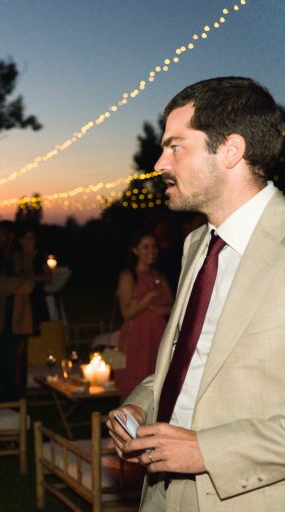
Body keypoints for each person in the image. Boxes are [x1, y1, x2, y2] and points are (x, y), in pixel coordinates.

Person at [107, 77, 285, 511]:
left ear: (230, 151)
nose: (160, 162)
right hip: (162, 491)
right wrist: (140, 407)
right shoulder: (196, 245)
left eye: (175, 146)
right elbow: (187, 364)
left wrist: (209, 451)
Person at [0, 221, 34, 402]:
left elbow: (28, 285)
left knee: (18, 366)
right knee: (2, 364)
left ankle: (18, 403)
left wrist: (1, 281)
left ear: (10, 237)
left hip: (19, 320)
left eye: (1, 235)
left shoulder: (23, 258)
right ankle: (1, 403)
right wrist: (15, 281)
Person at [115, 230, 173, 397]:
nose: (152, 251)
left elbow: (173, 305)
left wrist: (156, 309)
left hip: (158, 333)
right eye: (145, 247)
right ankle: (125, 421)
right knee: (134, 383)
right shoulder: (128, 276)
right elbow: (126, 313)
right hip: (136, 335)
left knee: (158, 381)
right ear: (135, 250)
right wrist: (148, 298)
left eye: (154, 247)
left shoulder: (159, 276)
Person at [17, 226, 51, 336]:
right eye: (26, 238)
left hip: (38, 297)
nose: (29, 241)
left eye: (31, 238)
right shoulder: (17, 256)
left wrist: (32, 278)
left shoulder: (40, 256)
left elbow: (48, 276)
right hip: (22, 298)